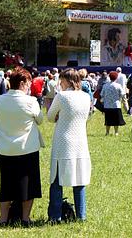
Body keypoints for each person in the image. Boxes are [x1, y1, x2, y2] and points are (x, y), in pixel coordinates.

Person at [0, 68, 43, 226]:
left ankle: (3, 219)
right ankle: (25, 218)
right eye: (29, 82)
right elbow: (40, 120)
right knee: (28, 185)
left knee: (6, 185)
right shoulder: (31, 101)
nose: (30, 86)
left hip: (6, 149)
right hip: (26, 149)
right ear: (22, 83)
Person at [47, 68, 92, 222]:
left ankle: (55, 216)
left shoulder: (62, 96)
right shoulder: (86, 96)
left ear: (66, 80)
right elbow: (86, 117)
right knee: (79, 180)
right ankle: (81, 215)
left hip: (63, 141)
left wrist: (60, 116)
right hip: (80, 141)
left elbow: (50, 117)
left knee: (56, 180)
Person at [100, 71, 126, 136]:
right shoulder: (118, 86)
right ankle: (116, 132)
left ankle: (107, 132)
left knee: (108, 120)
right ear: (116, 78)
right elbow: (123, 94)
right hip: (116, 105)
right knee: (116, 120)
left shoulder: (105, 85)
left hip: (107, 105)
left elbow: (101, 94)